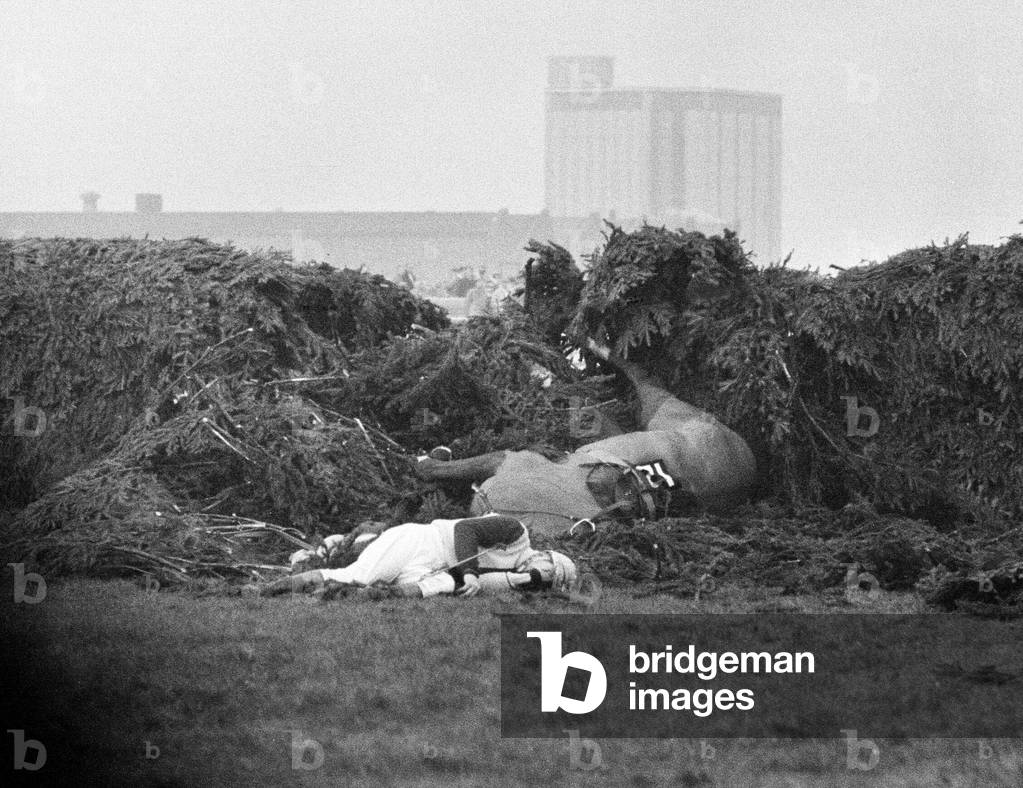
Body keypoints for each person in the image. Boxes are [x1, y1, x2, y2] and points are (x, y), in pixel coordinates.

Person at [260, 514, 577, 599]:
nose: (543, 575)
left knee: (430, 591)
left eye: (548, 581)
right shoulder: (515, 532)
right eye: (549, 569)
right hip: (421, 541)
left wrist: (523, 579)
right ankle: (264, 591)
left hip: (431, 567)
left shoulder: (514, 574)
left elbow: (473, 584)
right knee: (356, 576)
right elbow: (466, 530)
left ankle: (343, 599)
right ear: (547, 555)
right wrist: (469, 572)